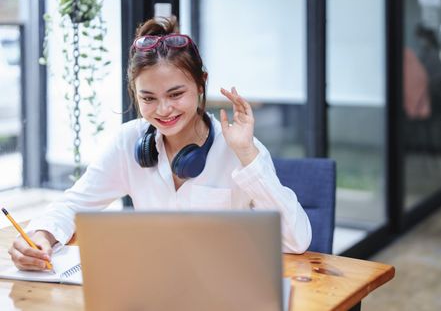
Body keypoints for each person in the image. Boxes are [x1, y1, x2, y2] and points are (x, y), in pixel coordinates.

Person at [9, 16, 312, 271]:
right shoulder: (129, 141)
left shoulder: (239, 147)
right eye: (148, 98)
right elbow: (74, 203)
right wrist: (41, 236)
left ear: (200, 83)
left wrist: (247, 154)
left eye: (176, 94)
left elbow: (296, 241)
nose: (164, 110)